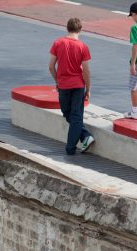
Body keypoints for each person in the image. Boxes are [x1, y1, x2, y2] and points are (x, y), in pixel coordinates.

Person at [49, 17, 94, 155]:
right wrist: (88, 88)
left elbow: (51, 66)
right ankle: (86, 136)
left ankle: (70, 148)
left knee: (67, 113)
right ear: (80, 30)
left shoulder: (57, 43)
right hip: (78, 85)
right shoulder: (83, 47)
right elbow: (86, 70)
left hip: (63, 85)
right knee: (75, 115)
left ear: (67, 28)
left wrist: (58, 81)